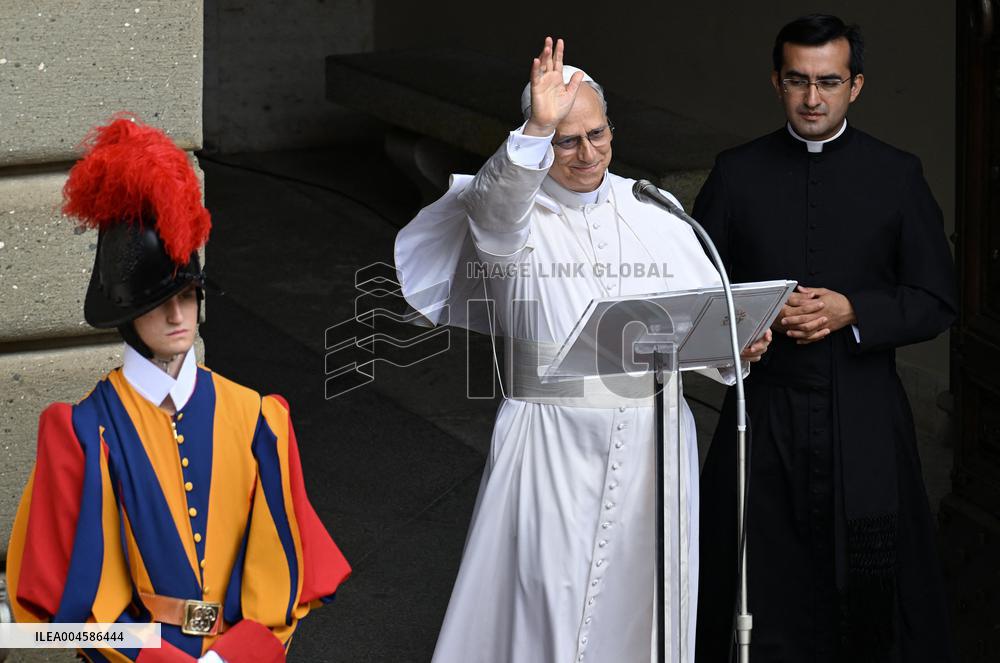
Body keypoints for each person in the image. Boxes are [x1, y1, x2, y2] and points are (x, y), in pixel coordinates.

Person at [394, 38, 770, 663]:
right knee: (549, 603)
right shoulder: (510, 215)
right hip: (552, 442)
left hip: (656, 445)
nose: (587, 154)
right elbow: (494, 200)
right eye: (566, 141)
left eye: (598, 134)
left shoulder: (651, 207)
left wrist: (733, 347)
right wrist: (536, 127)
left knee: (645, 608)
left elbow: (690, 318)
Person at [6, 117, 351, 662]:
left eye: (188, 295)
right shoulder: (84, 433)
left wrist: (231, 656)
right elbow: (82, 611)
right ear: (126, 314)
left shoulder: (258, 418)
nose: (176, 315)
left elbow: (279, 570)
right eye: (156, 303)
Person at [693, 15, 956, 662]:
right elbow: (695, 293)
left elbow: (936, 299)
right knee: (758, 580)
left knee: (869, 588)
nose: (813, 98)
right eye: (798, 81)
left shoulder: (897, 174)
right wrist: (742, 330)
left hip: (864, 411)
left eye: (829, 82)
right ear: (777, 82)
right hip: (766, 411)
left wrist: (851, 310)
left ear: (856, 85)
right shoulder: (735, 173)